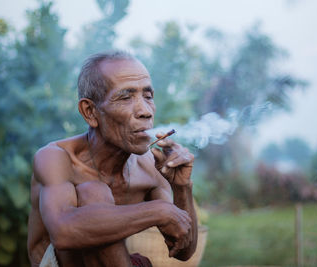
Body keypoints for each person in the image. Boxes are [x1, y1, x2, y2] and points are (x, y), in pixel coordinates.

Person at [27, 51, 198, 267]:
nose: (145, 111)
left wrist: (182, 187)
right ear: (90, 112)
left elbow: (183, 250)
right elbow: (63, 232)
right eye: (126, 97)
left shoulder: (150, 166)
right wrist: (159, 211)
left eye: (148, 96)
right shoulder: (56, 158)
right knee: (93, 192)